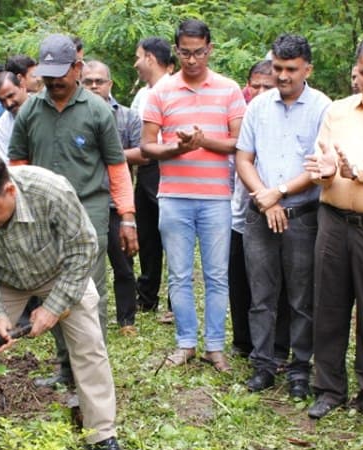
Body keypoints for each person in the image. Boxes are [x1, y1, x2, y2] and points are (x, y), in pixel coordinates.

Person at [0, 154, 126, 450]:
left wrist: (52, 308)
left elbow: (84, 250)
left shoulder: (52, 192)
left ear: (9, 191)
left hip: (60, 273)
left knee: (89, 348)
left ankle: (103, 435)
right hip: (3, 279)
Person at [9, 34, 137, 388]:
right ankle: (66, 369)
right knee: (52, 292)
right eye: (47, 75)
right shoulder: (31, 111)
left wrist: (127, 216)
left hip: (88, 213)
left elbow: (116, 167)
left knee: (88, 292)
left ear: (77, 68)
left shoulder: (97, 111)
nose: (54, 82)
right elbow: (17, 165)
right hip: (43, 217)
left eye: (61, 73)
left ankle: (93, 373)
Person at [304, 33, 363, 424]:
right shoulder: (338, 111)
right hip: (332, 219)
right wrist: (326, 174)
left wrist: (359, 172)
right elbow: (322, 159)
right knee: (327, 304)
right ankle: (328, 388)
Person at [141, 19, 246, 373]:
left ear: (209, 49)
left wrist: (203, 142)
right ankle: (186, 342)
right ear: (176, 50)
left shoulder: (229, 90)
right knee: (180, 274)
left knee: (217, 274)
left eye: (198, 52)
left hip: (217, 197)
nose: (191, 60)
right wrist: (177, 148)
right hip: (173, 196)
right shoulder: (161, 92)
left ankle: (215, 346)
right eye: (184, 52)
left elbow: (238, 142)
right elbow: (146, 146)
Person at [236, 35, 331, 400]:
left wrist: (281, 192)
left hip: (302, 215)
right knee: (261, 293)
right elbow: (244, 158)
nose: (283, 75)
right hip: (260, 213)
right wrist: (265, 197)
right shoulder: (259, 106)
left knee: (301, 296)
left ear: (307, 68)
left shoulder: (323, 108)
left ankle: (299, 368)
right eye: (278, 68)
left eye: (291, 69)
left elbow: (321, 166)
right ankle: (263, 364)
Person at [82, 60, 146, 337]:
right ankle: (89, 320)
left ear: (110, 84)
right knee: (86, 265)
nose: (94, 86)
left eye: (99, 81)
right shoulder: (77, 116)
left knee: (123, 264)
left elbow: (142, 153)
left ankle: (126, 320)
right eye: (88, 82)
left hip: (117, 202)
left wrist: (110, 154)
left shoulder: (128, 116)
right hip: (86, 201)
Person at [229, 59, 276, 359]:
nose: (259, 91)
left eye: (266, 86)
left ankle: (272, 347)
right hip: (238, 210)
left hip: (274, 209)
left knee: (270, 284)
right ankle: (242, 341)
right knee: (239, 279)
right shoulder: (240, 117)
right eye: (254, 85)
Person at [131, 37, 175, 320]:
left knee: (171, 236)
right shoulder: (142, 95)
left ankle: (175, 302)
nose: (135, 63)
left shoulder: (172, 90)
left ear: (149, 57)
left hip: (164, 168)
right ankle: (147, 297)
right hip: (144, 171)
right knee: (147, 235)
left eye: (138, 57)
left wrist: (118, 155)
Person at [0, 70, 29, 160]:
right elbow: (7, 166)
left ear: (22, 86)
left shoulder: (44, 108)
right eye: (2, 100)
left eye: (11, 95)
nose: (8, 103)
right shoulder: (1, 128)